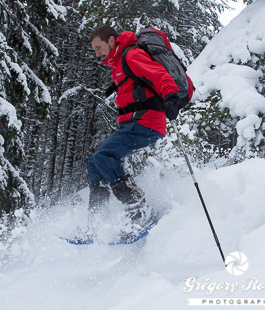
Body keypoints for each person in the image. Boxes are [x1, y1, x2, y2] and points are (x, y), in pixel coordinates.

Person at [86, 25, 191, 241]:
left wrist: (171, 96)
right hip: (133, 123)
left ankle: (138, 209)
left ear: (112, 41)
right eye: (94, 50)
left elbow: (159, 74)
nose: (97, 54)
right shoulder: (117, 63)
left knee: (103, 157)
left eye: (99, 47)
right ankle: (95, 223)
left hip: (147, 121)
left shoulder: (131, 54)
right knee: (94, 165)